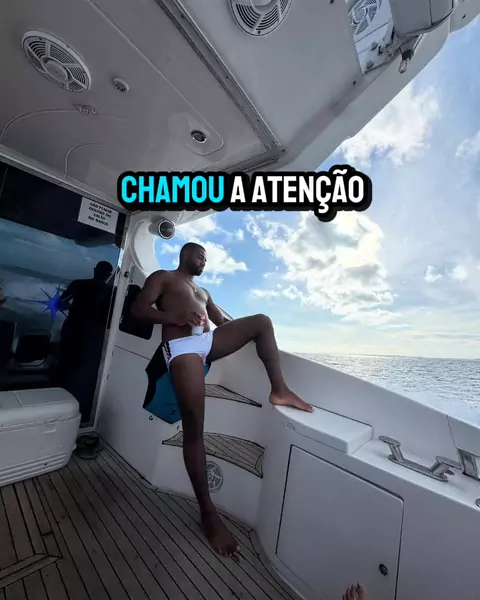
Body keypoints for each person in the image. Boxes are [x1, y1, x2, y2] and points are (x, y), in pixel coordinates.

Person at [131, 242, 313, 558]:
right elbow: (138, 309)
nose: (204, 260)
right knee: (195, 428)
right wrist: (176, 316)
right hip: (182, 348)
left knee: (261, 321)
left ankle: (280, 389)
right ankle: (208, 513)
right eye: (200, 255)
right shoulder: (164, 277)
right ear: (184, 255)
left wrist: (239, 329)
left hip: (207, 341)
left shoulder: (204, 292)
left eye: (206, 258)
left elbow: (222, 322)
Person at [58, 261, 114, 420]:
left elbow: (60, 304)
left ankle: (59, 400)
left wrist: (74, 307)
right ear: (108, 275)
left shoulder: (78, 284)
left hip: (73, 328)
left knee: (66, 364)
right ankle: (76, 407)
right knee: (84, 371)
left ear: (95, 270)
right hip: (94, 335)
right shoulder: (110, 291)